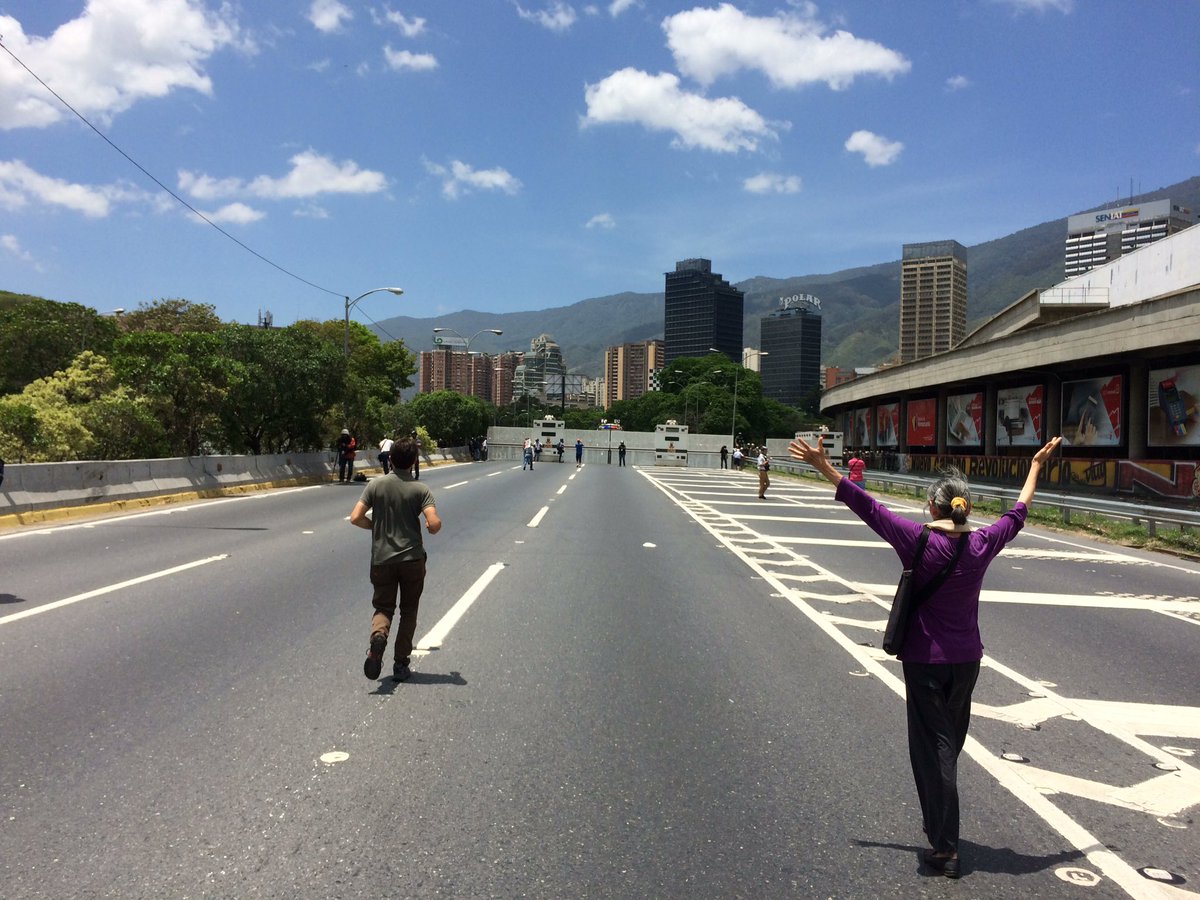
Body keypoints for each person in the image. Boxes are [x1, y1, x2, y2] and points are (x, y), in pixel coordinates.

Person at [788, 432, 1063, 879]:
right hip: (967, 661)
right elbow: (1019, 512)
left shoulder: (916, 541)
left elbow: (868, 507)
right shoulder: (981, 544)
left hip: (924, 661)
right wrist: (1034, 467)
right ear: (965, 507)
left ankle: (945, 846)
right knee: (949, 745)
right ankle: (940, 825)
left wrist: (824, 466)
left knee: (932, 749)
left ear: (933, 507)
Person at [350, 437, 442, 683]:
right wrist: (430, 528)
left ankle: (378, 638)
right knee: (408, 611)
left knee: (383, 608)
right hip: (412, 559)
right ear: (413, 462)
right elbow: (434, 523)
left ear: (389, 459)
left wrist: (376, 527)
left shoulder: (376, 485)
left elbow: (355, 517)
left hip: (382, 560)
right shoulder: (420, 489)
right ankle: (400, 664)